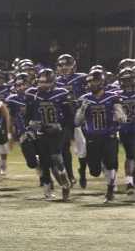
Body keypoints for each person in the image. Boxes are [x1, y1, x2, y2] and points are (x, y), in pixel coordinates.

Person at [75, 69, 126, 203]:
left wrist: (120, 115)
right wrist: (82, 110)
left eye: (94, 81)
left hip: (109, 136)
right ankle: (103, 177)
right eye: (90, 81)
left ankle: (110, 189)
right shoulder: (84, 99)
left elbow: (122, 116)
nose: (91, 84)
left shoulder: (112, 97)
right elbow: (77, 122)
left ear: (102, 81)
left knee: (110, 164)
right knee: (95, 171)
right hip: (92, 138)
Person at [25, 68, 72, 201]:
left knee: (56, 156)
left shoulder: (61, 93)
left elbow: (69, 116)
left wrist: (60, 126)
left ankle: (65, 183)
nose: (42, 85)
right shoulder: (31, 94)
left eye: (46, 82)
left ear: (53, 82)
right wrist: (29, 127)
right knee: (44, 161)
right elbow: (27, 115)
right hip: (40, 130)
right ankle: (47, 188)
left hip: (57, 131)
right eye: (40, 82)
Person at [55, 54, 87, 188]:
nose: (64, 68)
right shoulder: (55, 81)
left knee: (83, 147)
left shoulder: (82, 78)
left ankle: (83, 172)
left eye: (67, 65)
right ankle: (70, 175)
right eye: (61, 65)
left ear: (73, 66)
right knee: (64, 147)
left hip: (80, 116)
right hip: (64, 118)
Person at [116, 67, 135, 195]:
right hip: (126, 130)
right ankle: (129, 182)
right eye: (124, 80)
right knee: (131, 154)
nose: (127, 83)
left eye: (129, 80)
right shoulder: (116, 95)